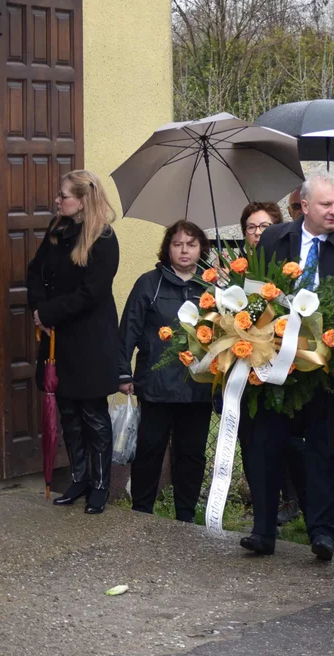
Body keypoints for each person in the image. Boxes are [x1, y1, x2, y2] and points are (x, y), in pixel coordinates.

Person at [246, 172, 334, 559]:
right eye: (327, 205)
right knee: (264, 443)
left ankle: (322, 531)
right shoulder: (275, 238)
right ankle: (263, 530)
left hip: (329, 367)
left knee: (328, 450)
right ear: (304, 206)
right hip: (274, 364)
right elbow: (257, 289)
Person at [26, 170, 120, 515]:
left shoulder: (104, 239)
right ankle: (79, 478)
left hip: (90, 341)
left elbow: (91, 293)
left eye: (63, 196)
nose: (57, 201)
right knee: (67, 411)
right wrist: (39, 310)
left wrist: (49, 312)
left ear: (82, 200)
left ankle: (99, 485)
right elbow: (34, 272)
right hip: (58, 338)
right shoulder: (57, 230)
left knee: (93, 413)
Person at [118, 221, 213, 523]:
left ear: (202, 249)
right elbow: (128, 329)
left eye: (191, 244)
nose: (184, 250)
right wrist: (122, 373)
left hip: (198, 386)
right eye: (177, 244)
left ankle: (186, 515)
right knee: (150, 451)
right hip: (156, 386)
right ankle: (142, 511)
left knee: (192, 454)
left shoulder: (214, 287)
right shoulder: (149, 283)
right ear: (167, 248)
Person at [236, 200, 304, 528]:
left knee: (288, 437)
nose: (258, 233)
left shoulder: (290, 267)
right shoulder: (236, 269)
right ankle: (264, 502)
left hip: (283, 365)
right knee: (250, 438)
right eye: (251, 227)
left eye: (265, 226)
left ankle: (294, 499)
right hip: (246, 366)